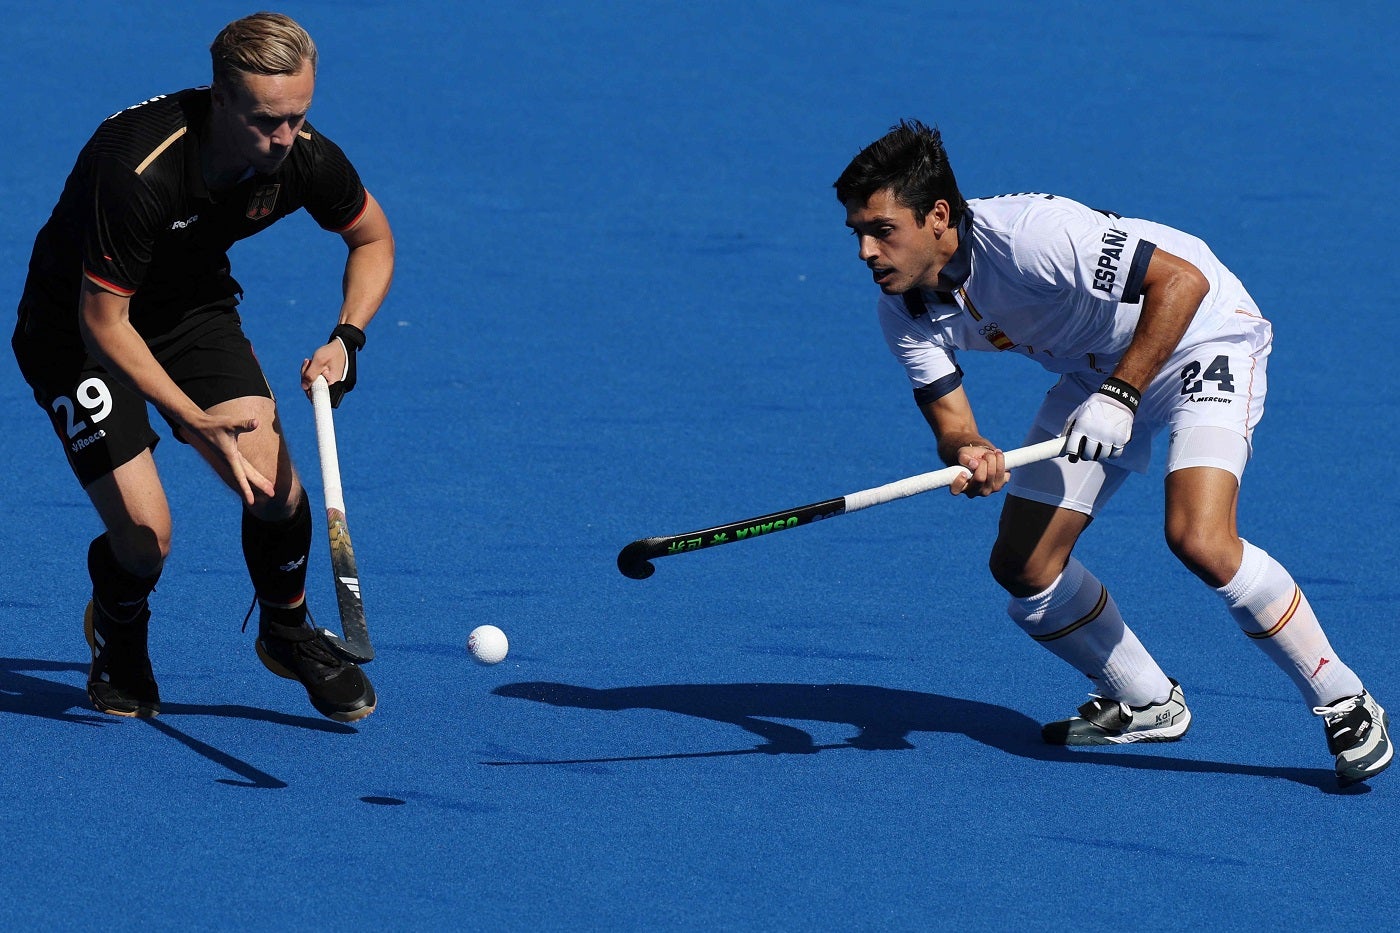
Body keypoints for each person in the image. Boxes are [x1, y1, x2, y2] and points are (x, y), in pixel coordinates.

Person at [833, 119, 1390, 786]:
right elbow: (952, 420)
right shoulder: (903, 307)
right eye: (857, 233)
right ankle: (1146, 698)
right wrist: (971, 450)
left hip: (1198, 338)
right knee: (1023, 565)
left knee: (1199, 536)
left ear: (938, 217)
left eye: (881, 230)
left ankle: (1344, 699)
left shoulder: (1035, 235)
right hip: (1099, 372)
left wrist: (1121, 395)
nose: (866, 251)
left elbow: (1182, 284)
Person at [11, 12, 393, 723]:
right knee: (146, 536)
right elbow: (104, 325)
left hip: (187, 310)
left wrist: (349, 336)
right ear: (219, 99)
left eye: (298, 117)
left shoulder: (303, 154)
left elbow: (370, 237)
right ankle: (119, 625)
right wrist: (190, 420)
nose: (284, 140)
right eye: (265, 121)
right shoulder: (137, 167)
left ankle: (286, 631)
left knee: (275, 489)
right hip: (76, 331)